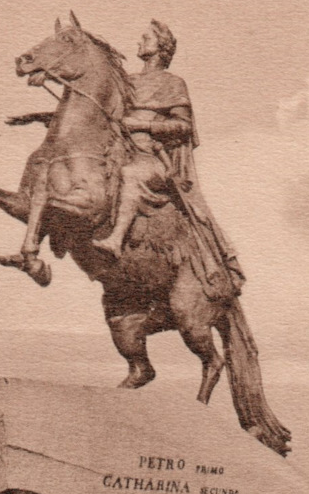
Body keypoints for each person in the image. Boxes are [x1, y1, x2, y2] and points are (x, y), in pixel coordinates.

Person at [91, 20, 244, 294]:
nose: (139, 41)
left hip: (150, 158)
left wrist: (144, 126)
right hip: (118, 150)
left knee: (131, 174)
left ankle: (115, 239)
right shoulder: (128, 80)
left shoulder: (173, 84)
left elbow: (183, 127)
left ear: (161, 48)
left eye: (145, 38)